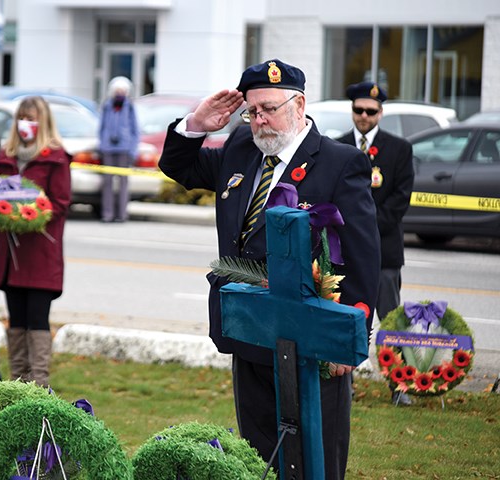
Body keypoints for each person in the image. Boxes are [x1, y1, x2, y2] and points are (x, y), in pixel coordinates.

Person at [158, 59, 381, 479]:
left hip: (312, 336)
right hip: (247, 329)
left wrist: (351, 333)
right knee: (258, 452)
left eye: (270, 109)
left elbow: (364, 253)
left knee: (317, 454)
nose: (260, 120)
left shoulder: (338, 162)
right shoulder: (243, 147)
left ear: (299, 105)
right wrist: (196, 123)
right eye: (252, 110)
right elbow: (179, 167)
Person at [337, 81, 414, 406]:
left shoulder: (398, 149)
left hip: (384, 251)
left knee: (391, 319)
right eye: (358, 110)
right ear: (352, 111)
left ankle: (400, 386)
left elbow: (400, 200)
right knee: (345, 317)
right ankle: (343, 385)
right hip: (345, 253)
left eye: (370, 111)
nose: (364, 115)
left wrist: (364, 228)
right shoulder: (336, 146)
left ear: (381, 113)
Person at [0, 96, 71, 387]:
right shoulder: (6, 156)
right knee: (16, 320)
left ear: (44, 121)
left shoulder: (56, 157)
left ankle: (39, 385)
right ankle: (18, 383)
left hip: (39, 253)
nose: (26, 123)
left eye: (32, 118)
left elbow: (60, 202)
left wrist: (31, 212)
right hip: (11, 254)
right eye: (22, 117)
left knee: (37, 319)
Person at [98, 76, 140, 223]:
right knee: (107, 183)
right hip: (108, 148)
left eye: (122, 90)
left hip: (124, 148)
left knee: (123, 183)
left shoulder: (129, 107)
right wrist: (102, 145)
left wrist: (133, 150)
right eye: (117, 90)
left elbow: (135, 130)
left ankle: (122, 214)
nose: (120, 93)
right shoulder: (107, 106)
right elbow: (101, 127)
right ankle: (107, 214)